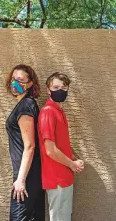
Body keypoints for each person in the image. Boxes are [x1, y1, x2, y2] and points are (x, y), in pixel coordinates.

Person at [38, 72, 84, 221]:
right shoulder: (48, 112)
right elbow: (50, 150)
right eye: (56, 87)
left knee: (64, 217)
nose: (60, 91)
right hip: (56, 177)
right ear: (48, 89)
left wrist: (73, 159)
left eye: (64, 88)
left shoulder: (58, 111)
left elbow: (60, 144)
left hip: (64, 176)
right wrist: (72, 164)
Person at [5, 64, 45, 221]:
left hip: (27, 177)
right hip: (31, 174)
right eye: (14, 79)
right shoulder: (25, 105)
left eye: (20, 80)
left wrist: (21, 179)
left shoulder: (26, 105)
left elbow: (30, 146)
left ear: (30, 84)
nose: (15, 83)